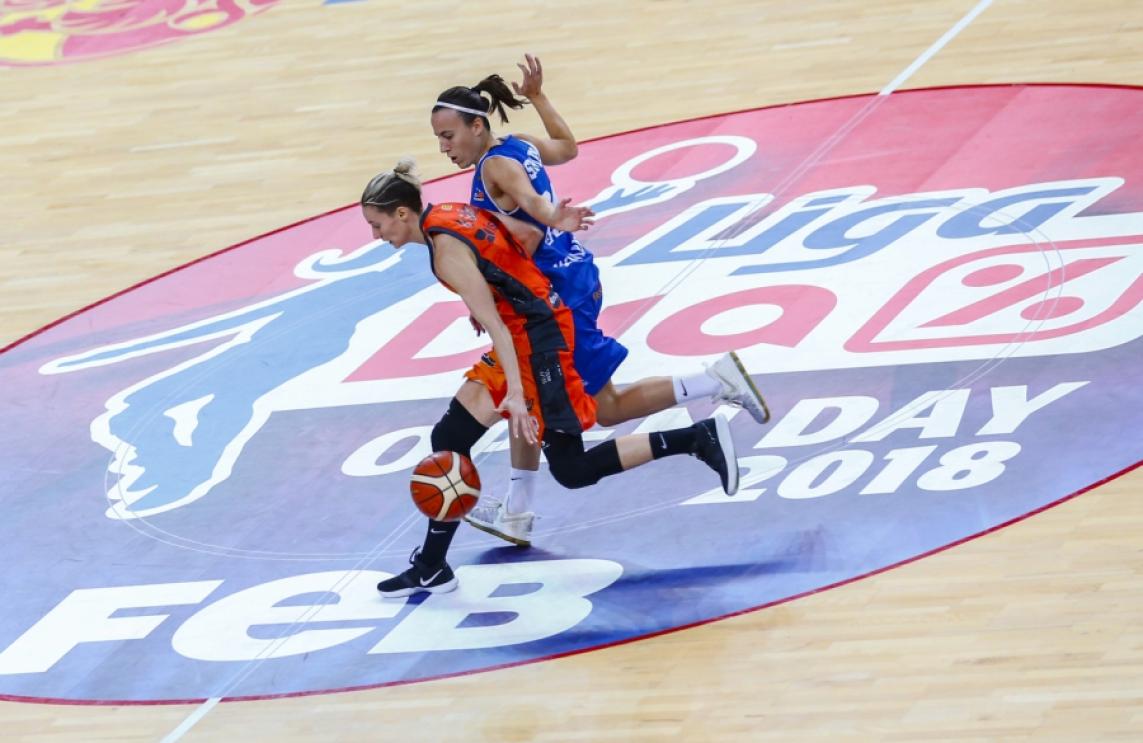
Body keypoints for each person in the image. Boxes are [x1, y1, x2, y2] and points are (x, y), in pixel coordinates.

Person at [430, 54, 769, 546]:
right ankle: (517, 511)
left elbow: (531, 207)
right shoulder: (518, 144)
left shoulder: (496, 166)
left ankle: (712, 384)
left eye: (448, 135)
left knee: (570, 405)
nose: (443, 147)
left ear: (477, 126)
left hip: (555, 297)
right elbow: (567, 148)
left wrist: (552, 215)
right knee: (586, 404)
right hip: (567, 279)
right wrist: (539, 98)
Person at [361, 160, 740, 597]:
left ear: (402, 213)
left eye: (377, 225)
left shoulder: (445, 255)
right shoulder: (451, 212)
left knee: (572, 469)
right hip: (529, 325)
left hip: (538, 341)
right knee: (449, 436)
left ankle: (696, 438)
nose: (375, 235)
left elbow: (499, 328)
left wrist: (516, 393)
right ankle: (431, 566)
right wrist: (505, 289)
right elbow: (524, 236)